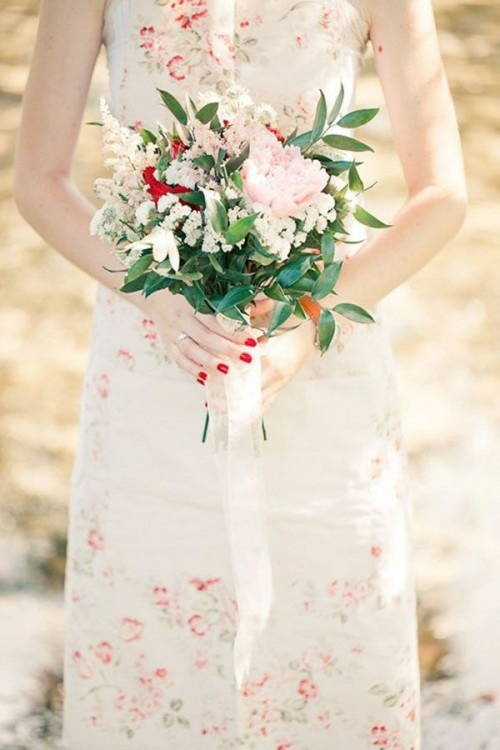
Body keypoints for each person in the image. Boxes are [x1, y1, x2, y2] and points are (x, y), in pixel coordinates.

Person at [14, 0, 467, 747]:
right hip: (153, 373)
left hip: (321, 374)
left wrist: (311, 324)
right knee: (152, 654)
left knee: (327, 646)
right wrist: (153, 294)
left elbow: (443, 195)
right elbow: (39, 178)